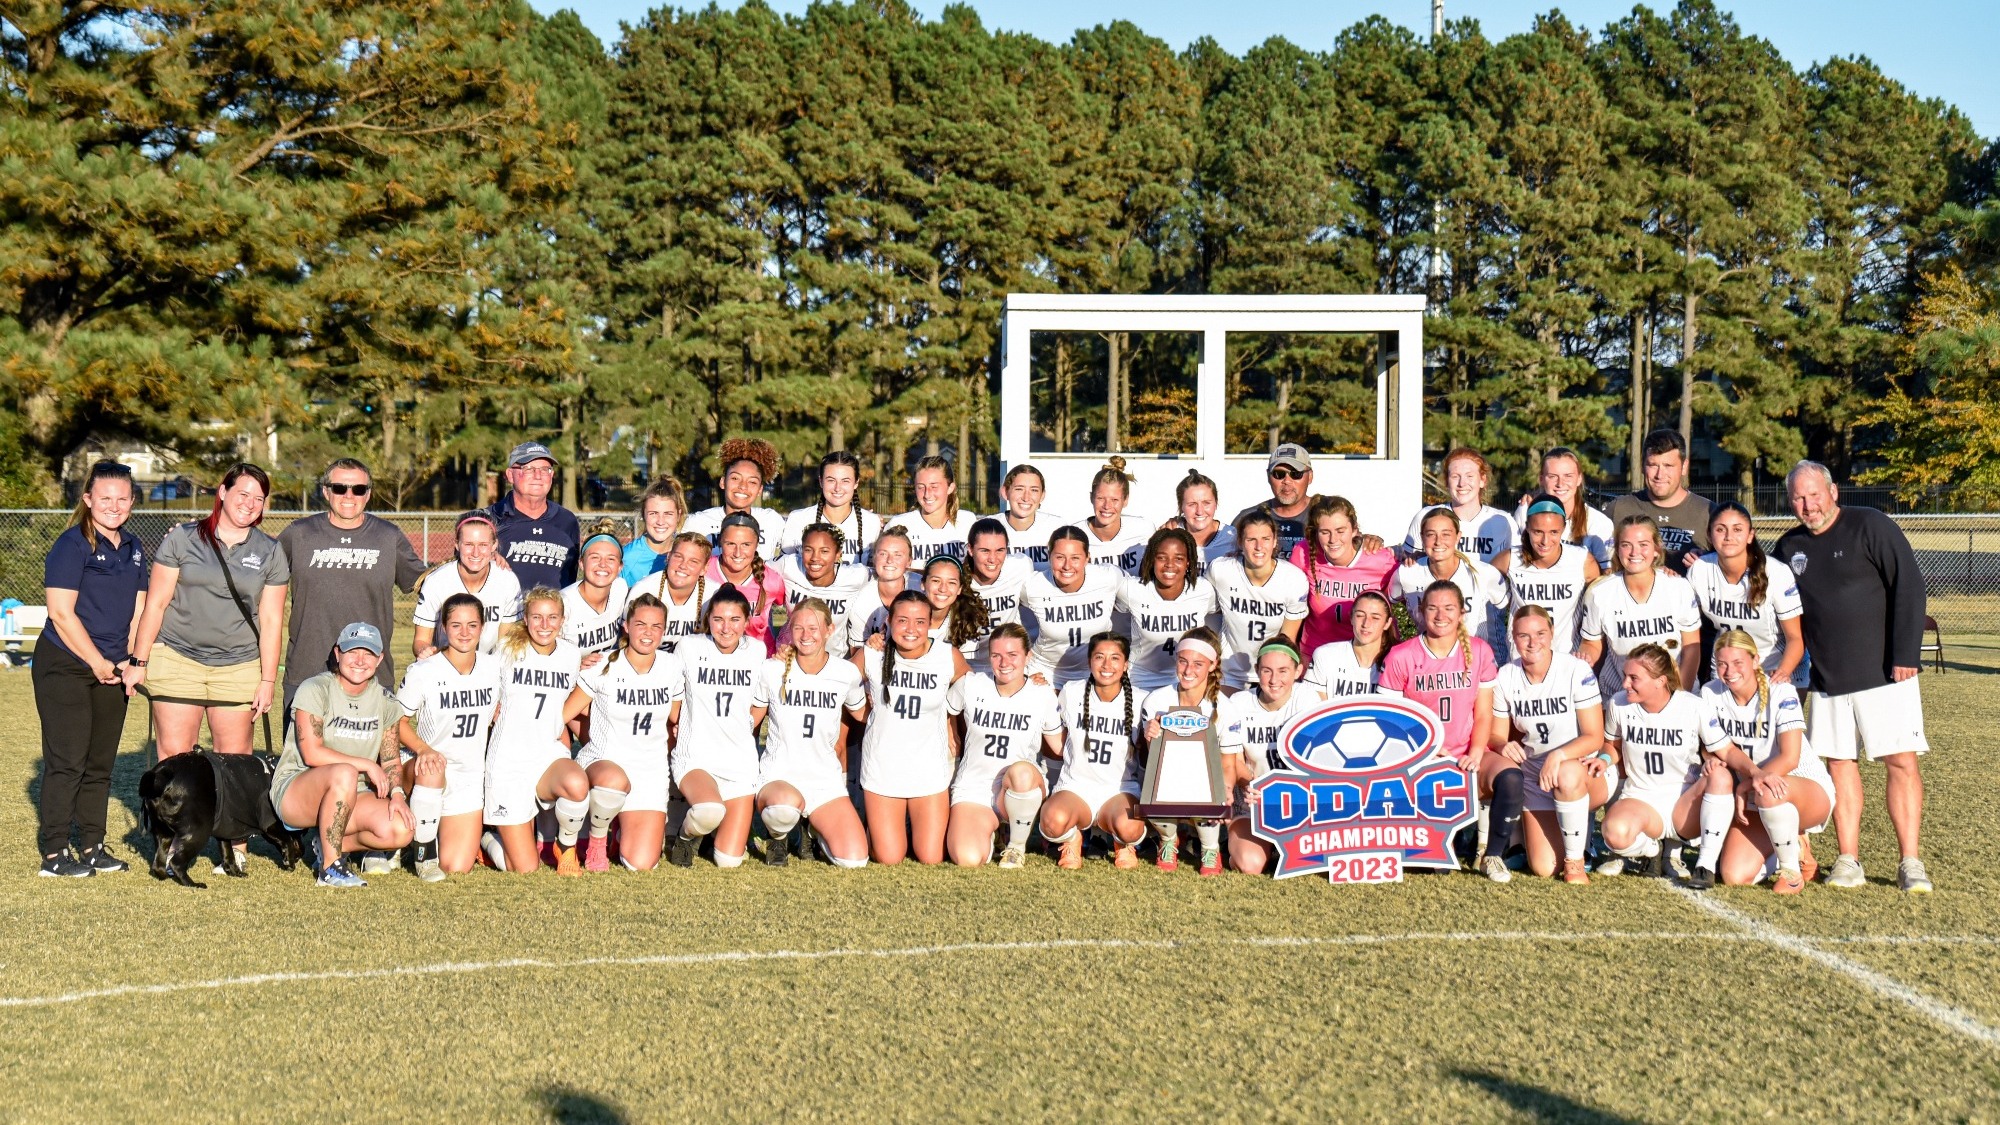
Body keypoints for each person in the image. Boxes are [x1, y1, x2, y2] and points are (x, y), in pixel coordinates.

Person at [1773, 460, 1931, 893]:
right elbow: (1760, 587)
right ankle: (1849, 860)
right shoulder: (1788, 548)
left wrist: (1905, 654)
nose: (1808, 505)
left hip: (1885, 673)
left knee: (1900, 762)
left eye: (1814, 494)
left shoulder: (1872, 526)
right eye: (1798, 499)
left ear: (1833, 491)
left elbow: (1910, 587)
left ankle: (1910, 862)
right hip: (1827, 679)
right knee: (1841, 765)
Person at [125, 463, 290, 871]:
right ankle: (174, 844)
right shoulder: (182, 538)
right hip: (178, 658)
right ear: (222, 491)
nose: (250, 503)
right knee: (174, 758)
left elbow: (272, 620)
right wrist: (138, 660)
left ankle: (233, 848)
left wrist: (268, 678)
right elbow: (157, 602)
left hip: (237, 667)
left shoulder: (270, 551)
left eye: (259, 497)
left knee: (234, 762)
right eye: (243, 493)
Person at [35, 461, 147, 877]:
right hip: (65, 664)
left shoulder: (135, 548)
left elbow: (139, 611)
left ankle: (92, 845)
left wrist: (133, 660)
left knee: (100, 764)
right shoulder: (71, 545)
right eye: (105, 498)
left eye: (122, 498)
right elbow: (62, 614)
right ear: (88, 500)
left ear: (132, 502)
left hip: (113, 668)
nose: (114, 506)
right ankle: (54, 853)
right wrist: (97, 662)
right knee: (68, 761)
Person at [1378, 582, 1505, 880]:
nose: (1440, 615)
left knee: (1509, 777)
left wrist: (1476, 752)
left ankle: (1492, 854)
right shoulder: (1402, 655)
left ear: (1462, 613)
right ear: (1420, 612)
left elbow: (1484, 712)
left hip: (1468, 747)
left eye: (1449, 608)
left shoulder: (1478, 650)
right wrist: (1427, 749)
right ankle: (1437, 845)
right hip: (1422, 754)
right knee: (1431, 861)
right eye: (1432, 608)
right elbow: (1392, 719)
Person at [269, 623, 412, 888]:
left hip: (354, 792)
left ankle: (326, 844)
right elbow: (312, 754)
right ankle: (331, 869)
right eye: (352, 652)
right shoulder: (315, 689)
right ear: (337, 653)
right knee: (345, 772)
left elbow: (391, 759)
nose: (360, 661)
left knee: (401, 829)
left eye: (368, 654)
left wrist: (398, 795)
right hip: (299, 788)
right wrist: (366, 764)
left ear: (380, 659)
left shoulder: (385, 701)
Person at [277, 458, 425, 712]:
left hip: (368, 673)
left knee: (368, 752)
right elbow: (257, 574)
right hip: (307, 671)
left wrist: (482, 562)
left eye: (358, 489)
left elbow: (428, 583)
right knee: (303, 751)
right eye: (339, 488)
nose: (349, 495)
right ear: (325, 491)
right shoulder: (299, 534)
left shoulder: (388, 537)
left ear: (368, 494)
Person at [1702, 630, 1834, 894]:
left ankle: (1791, 873)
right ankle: (1793, 846)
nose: (1729, 671)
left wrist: (1746, 785)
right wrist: (1710, 760)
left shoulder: (1781, 690)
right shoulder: (1710, 692)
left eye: (1738, 662)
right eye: (1722, 664)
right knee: (1734, 875)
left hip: (1802, 788)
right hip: (1754, 795)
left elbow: (1789, 757)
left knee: (1768, 789)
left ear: (1755, 660)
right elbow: (1714, 746)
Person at [562, 595, 683, 872]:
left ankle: (618, 831)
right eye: (640, 624)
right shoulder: (604, 664)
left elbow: (674, 718)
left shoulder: (671, 666)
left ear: (664, 630)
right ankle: (596, 842)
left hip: (649, 771)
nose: (648, 632)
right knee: (612, 781)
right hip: (605, 762)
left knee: (640, 863)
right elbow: (565, 713)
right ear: (626, 626)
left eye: (656, 626)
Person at [1488, 606, 1608, 885]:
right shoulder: (1505, 675)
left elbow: (1594, 736)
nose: (1533, 642)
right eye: (1524, 636)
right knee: (1543, 867)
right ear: (1514, 639)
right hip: (1537, 776)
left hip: (1582, 769)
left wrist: (1559, 755)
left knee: (1566, 773)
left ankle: (1576, 862)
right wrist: (1502, 746)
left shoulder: (1575, 669)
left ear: (1552, 633)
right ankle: (1574, 835)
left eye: (1540, 633)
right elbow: (1495, 736)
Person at [753, 598, 871, 868]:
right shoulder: (772, 669)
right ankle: (778, 836)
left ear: (829, 630)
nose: (806, 635)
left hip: (824, 780)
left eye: (814, 628)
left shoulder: (845, 672)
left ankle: (811, 830)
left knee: (853, 860)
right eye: (798, 628)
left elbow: (863, 715)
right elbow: (751, 719)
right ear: (790, 629)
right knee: (783, 808)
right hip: (780, 776)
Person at [1596, 643, 1730, 879]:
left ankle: (1704, 866)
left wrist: (1754, 772)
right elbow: (1612, 746)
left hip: (1684, 803)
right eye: (1625, 676)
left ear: (1659, 681)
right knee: (1613, 833)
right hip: (1641, 797)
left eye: (1634, 678)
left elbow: (1723, 750)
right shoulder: (1619, 703)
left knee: (1720, 776)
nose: (1625, 683)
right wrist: (1604, 759)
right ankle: (1651, 849)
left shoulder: (1692, 705)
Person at [855, 589, 968, 865]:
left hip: (928, 769)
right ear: (888, 623)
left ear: (930, 624)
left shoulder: (946, 655)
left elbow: (976, 693)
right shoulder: (872, 654)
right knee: (889, 857)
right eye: (902, 620)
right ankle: (877, 830)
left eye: (920, 622)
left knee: (931, 856)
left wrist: (952, 724)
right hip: (883, 769)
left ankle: (906, 826)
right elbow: (834, 683)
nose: (911, 629)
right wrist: (864, 712)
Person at [392, 593, 500, 880]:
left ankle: (477, 834)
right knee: (433, 767)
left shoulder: (495, 668)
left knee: (456, 865)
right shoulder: (423, 671)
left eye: (472, 625)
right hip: (425, 768)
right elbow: (396, 723)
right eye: (456, 625)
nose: (464, 633)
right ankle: (423, 853)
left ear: (483, 627)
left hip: (469, 776)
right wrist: (423, 749)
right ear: (443, 626)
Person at [483, 587, 589, 875]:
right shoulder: (508, 648)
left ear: (562, 620)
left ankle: (566, 849)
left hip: (547, 754)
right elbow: (483, 684)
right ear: (525, 619)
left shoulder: (570, 654)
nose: (545, 625)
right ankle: (487, 839)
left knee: (577, 784)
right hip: (509, 760)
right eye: (537, 617)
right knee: (525, 868)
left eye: (552, 617)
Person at [944, 624, 1065, 868]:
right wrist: (951, 737)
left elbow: (1060, 748)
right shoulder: (971, 684)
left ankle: (1016, 847)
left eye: (1013, 655)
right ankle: (994, 833)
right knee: (967, 859)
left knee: (1020, 771)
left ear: (1027, 657)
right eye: (996, 655)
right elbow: (944, 712)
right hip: (975, 787)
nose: (1004, 662)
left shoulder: (1041, 694)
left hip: (1021, 786)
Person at [667, 585, 769, 868]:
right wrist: (680, 722)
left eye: (735, 620)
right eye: (718, 619)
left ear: (747, 622)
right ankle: (685, 838)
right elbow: (672, 691)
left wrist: (744, 725)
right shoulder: (689, 647)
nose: (726, 628)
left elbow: (761, 701)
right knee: (709, 809)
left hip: (739, 761)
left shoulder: (757, 651)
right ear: (707, 620)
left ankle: (710, 834)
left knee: (728, 860)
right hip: (697, 756)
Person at [1220, 637, 1326, 875]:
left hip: (1299, 803)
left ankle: (1284, 843)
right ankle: (1234, 843)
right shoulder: (1239, 703)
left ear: (1298, 670)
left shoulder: (1306, 699)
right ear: (1257, 670)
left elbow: (1315, 759)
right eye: (1266, 670)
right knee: (1251, 864)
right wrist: (1248, 784)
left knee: (1320, 858)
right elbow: (1234, 760)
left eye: (1283, 671)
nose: (1274, 679)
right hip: (1253, 802)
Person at [1040, 633, 1146, 869]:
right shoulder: (1072, 691)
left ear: (1126, 664)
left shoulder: (1141, 700)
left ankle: (1122, 843)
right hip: (1076, 786)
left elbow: (1146, 756)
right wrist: (1035, 685)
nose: (1107, 666)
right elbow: (1056, 734)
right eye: (1099, 657)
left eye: (1115, 658)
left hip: (1118, 789)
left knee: (1130, 829)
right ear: (1089, 661)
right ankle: (1071, 838)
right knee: (1051, 823)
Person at [1137, 629, 1233, 875]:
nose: (1188, 670)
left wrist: (1227, 792)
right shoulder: (1156, 700)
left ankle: (1210, 847)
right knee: (1154, 788)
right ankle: (1168, 840)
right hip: (1169, 776)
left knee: (1209, 786)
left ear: (1213, 665)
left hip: (1205, 780)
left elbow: (1228, 762)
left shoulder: (1224, 706)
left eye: (1198, 664)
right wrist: (1150, 737)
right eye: (1183, 661)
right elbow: (1150, 763)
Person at [1577, 515, 1702, 695]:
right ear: (1617, 549)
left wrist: (1679, 697)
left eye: (1643, 545)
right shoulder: (1600, 592)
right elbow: (1591, 643)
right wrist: (1585, 656)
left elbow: (1692, 648)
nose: (1635, 552)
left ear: (1656, 549)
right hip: (1621, 695)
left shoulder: (1678, 587)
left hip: (1676, 692)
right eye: (1626, 545)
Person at [1687, 502, 1805, 687]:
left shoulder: (1776, 572)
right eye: (1720, 529)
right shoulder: (1700, 570)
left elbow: (1796, 639)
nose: (1728, 537)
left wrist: (1781, 674)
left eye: (1737, 529)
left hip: (1775, 665)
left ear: (1750, 535)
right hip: (1728, 669)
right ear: (1709, 535)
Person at [1208, 510, 1307, 689]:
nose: (1259, 546)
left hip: (1271, 671)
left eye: (1265, 539)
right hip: (1230, 671)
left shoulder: (1293, 579)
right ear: (1240, 542)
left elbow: (1287, 639)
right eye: (1251, 540)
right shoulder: (1221, 570)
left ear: (1275, 540)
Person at [1291, 497, 1397, 662]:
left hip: (1366, 658)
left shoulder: (1380, 560)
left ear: (1355, 530)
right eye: (1325, 532)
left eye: (1341, 531)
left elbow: (1411, 595)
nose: (1333, 539)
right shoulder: (1304, 553)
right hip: (1315, 656)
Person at [1390, 507, 1508, 654]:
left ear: (1458, 536)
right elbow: (1385, 607)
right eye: (1431, 534)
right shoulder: (1406, 574)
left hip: (1476, 661)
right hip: (1428, 665)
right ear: (1421, 537)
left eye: (1446, 534)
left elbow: (1503, 612)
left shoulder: (1483, 573)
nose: (1438, 542)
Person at [1116, 527, 1220, 694]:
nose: (1169, 565)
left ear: (1188, 562)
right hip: (1141, 682)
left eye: (1178, 558)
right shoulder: (1132, 589)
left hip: (1186, 682)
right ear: (1151, 559)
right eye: (1161, 558)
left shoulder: (1203, 590)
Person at [1495, 495, 1599, 657]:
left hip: (1567, 661)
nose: (1545, 540)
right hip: (1521, 661)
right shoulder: (1510, 559)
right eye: (1538, 532)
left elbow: (1598, 611)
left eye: (1553, 532)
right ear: (1527, 527)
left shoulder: (1582, 561)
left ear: (1563, 529)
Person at [1020, 525, 1123, 688]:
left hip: (1096, 674)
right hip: (1045, 674)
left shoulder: (1109, 577)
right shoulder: (1032, 586)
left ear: (1087, 557)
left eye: (1075, 558)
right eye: (1060, 557)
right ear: (1049, 556)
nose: (1067, 566)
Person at [412, 512, 523, 657]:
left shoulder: (507, 580)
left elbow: (505, 643)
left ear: (494, 545)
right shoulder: (437, 581)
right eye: (469, 544)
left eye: (483, 545)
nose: (476, 553)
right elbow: (421, 640)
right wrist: (426, 653)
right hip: (445, 665)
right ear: (457, 544)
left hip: (489, 668)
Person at [1608, 429, 1713, 574]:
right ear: (1643, 466)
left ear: (1684, 467)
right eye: (1653, 465)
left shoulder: (1709, 513)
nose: (1659, 474)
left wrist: (1709, 562)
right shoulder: (1619, 509)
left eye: (1668, 466)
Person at [487, 441, 581, 592]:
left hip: (552, 614)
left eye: (545, 469)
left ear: (552, 475)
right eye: (528, 468)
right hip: (506, 614)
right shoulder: (488, 519)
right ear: (510, 475)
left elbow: (571, 576)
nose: (538, 476)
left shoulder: (567, 520)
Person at [1401, 448, 1517, 565]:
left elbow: (1520, 566)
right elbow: (1408, 562)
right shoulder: (1427, 516)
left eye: (1469, 476)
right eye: (1455, 476)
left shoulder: (1503, 521)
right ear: (1446, 481)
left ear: (1482, 480)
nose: (1462, 483)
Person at [684, 438, 786, 560]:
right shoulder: (698, 523)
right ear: (722, 482)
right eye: (735, 479)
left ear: (760, 489)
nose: (743, 486)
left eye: (752, 482)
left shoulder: (772, 521)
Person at [776, 522, 871, 652]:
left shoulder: (855, 576)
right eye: (808, 550)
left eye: (824, 551)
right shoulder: (788, 565)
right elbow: (751, 569)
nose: (815, 557)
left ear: (838, 554)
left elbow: (889, 575)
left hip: (835, 660)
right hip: (788, 657)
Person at [1513, 447, 1613, 568]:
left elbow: (1605, 574)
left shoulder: (1598, 522)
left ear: (1579, 479)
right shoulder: (1526, 511)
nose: (1560, 483)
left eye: (1568, 476)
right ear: (1541, 479)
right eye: (1552, 476)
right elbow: (1514, 561)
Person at [706, 512, 787, 655]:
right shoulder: (704, 570)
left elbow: (789, 613)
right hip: (711, 659)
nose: (738, 553)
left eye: (746, 544)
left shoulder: (771, 580)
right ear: (720, 542)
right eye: (730, 543)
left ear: (756, 544)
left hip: (759, 660)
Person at [780, 451, 881, 566]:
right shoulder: (798, 519)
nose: (837, 488)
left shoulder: (871, 522)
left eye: (845, 481)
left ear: (856, 483)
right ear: (821, 481)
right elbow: (785, 568)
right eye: (831, 480)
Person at [961, 518, 1034, 672]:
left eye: (1000, 550)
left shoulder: (1020, 567)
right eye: (985, 551)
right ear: (970, 549)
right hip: (967, 665)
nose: (992, 559)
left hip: (1009, 664)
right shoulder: (955, 578)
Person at [625, 532, 713, 653]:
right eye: (678, 556)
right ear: (668, 557)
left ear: (705, 568)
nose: (683, 565)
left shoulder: (714, 595)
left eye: (693, 561)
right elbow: (626, 640)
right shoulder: (643, 589)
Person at [1231, 443, 1315, 559]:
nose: (1287, 481)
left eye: (1296, 474)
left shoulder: (1327, 515)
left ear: (1310, 476)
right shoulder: (1247, 518)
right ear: (1268, 477)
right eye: (1278, 474)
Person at [887, 455, 977, 563]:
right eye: (921, 487)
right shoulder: (899, 524)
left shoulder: (967, 522)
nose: (927, 494)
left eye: (934, 487)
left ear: (950, 488)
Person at [1305, 590, 1394, 697]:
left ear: (1387, 623)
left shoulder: (1397, 661)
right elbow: (1314, 706)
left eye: (1375, 618)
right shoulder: (1325, 656)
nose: (1366, 624)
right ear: (1351, 617)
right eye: (1360, 615)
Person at [844, 525, 918, 652]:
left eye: (898, 555)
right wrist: (868, 646)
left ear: (909, 561)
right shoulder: (861, 600)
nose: (889, 560)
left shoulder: (921, 588)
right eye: (883, 553)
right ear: (874, 558)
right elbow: (855, 654)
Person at [561, 522, 630, 655]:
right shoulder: (563, 603)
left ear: (620, 566)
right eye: (595, 557)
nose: (602, 564)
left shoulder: (620, 588)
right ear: (581, 563)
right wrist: (577, 664)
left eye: (610, 559)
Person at [1082, 457, 1154, 575]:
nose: (1107, 506)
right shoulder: (1076, 535)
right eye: (1100, 498)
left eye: (1114, 500)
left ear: (1125, 500)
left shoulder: (1144, 530)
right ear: (1091, 498)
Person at [620, 476, 689, 586]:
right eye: (653, 513)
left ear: (678, 515)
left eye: (668, 514)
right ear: (643, 514)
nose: (660, 522)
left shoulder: (687, 555)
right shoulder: (627, 557)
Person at [994, 463, 1066, 564]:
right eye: (1019, 489)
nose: (1026, 497)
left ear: (1042, 495)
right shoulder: (988, 526)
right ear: (1005, 492)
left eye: (1034, 490)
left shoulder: (1056, 527)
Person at [1167, 469, 1237, 565]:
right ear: (1181, 506)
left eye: (1206, 503)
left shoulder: (1232, 537)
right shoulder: (1169, 535)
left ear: (1216, 503)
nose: (1199, 511)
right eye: (1192, 504)